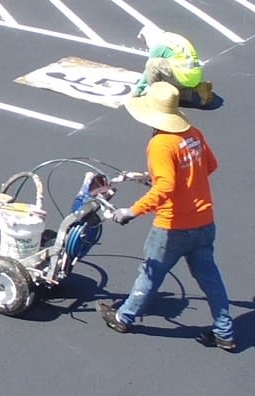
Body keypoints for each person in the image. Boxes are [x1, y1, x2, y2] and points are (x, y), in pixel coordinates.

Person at [97, 80, 237, 351]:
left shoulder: (161, 144)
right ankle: (224, 332)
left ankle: (123, 317)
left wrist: (131, 211)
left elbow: (166, 187)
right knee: (210, 277)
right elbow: (209, 165)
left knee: (150, 273)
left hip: (172, 227)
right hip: (204, 222)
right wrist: (169, 180)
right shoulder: (194, 134)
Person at [134, 25, 215, 108]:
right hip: (195, 75)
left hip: (183, 76)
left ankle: (156, 96)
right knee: (170, 83)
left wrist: (138, 90)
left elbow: (148, 71)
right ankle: (197, 89)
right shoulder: (171, 38)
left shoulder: (157, 47)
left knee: (152, 64)